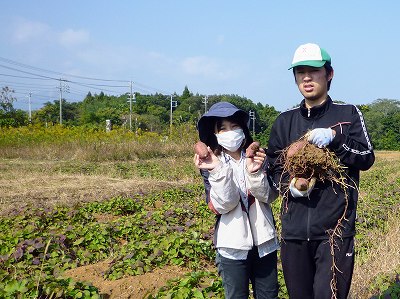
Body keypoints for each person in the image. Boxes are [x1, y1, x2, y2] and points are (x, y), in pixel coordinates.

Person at [266, 43, 375, 299]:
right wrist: (290, 186)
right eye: (300, 71)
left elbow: (366, 157)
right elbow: (274, 168)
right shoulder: (285, 121)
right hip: (293, 234)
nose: (306, 77)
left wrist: (336, 138)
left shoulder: (348, 114)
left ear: (329, 74)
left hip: (334, 232)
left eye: (313, 71)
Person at [194, 101, 279, 299]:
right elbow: (225, 205)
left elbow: (269, 196)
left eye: (234, 126)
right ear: (215, 134)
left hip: (264, 244)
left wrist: (255, 172)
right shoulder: (211, 164)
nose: (230, 132)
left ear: (243, 129)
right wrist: (217, 171)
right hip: (231, 248)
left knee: (269, 295)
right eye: (222, 129)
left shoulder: (258, 156)